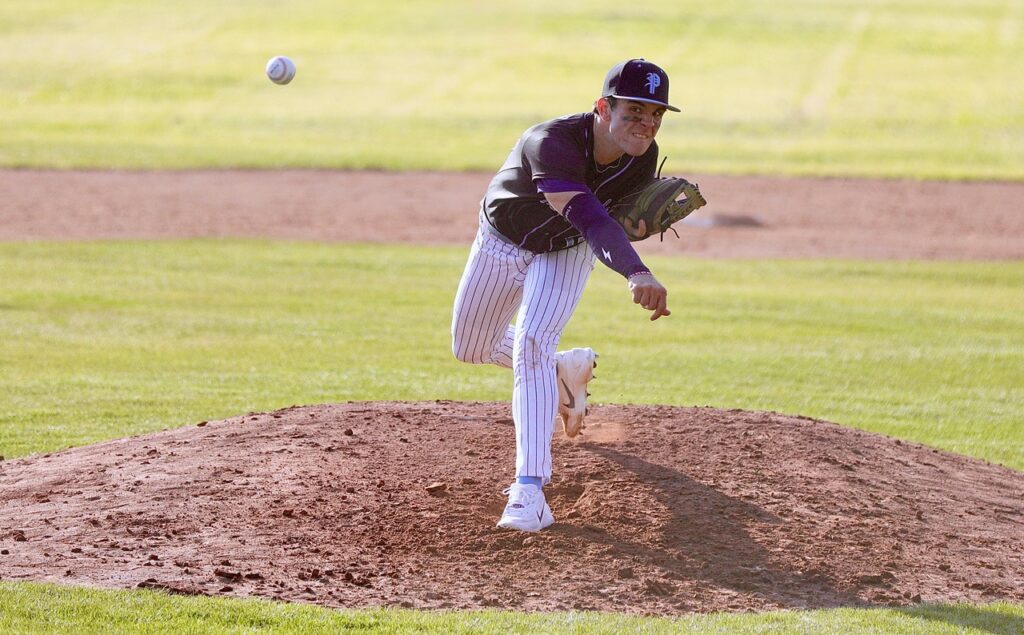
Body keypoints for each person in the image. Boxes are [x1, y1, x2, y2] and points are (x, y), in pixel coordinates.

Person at [451, 59, 678, 532]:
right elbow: (591, 217)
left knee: (532, 343)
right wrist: (636, 271)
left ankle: (529, 490)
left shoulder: (642, 155)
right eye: (635, 111)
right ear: (603, 108)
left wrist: (630, 233)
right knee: (470, 347)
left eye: (656, 113)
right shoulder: (551, 142)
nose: (647, 123)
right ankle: (560, 372)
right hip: (503, 240)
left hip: (567, 250)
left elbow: (607, 224)